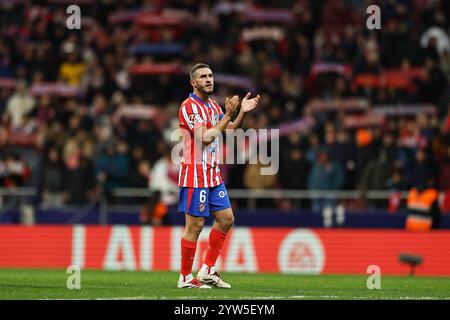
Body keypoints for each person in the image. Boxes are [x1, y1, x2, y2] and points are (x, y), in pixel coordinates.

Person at [177, 63, 260, 289]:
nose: (209, 79)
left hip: (212, 174)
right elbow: (205, 137)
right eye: (203, 77)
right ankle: (185, 277)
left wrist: (241, 111)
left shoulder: (213, 106)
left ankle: (207, 270)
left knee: (226, 219)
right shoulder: (189, 107)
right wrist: (229, 115)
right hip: (195, 174)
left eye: (211, 75)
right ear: (193, 82)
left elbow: (231, 130)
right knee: (195, 226)